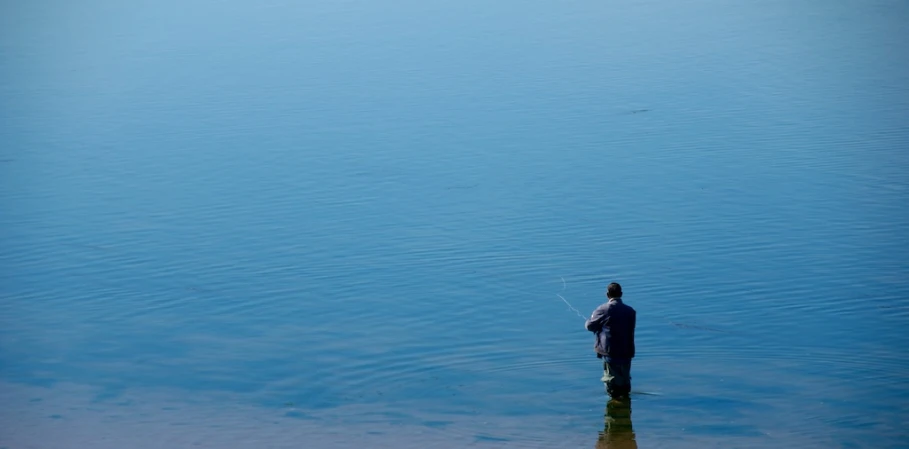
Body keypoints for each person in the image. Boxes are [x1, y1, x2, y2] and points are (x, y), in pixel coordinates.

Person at [585, 282, 636, 399]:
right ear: (621, 294)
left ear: (607, 294)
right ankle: (625, 405)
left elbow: (589, 326)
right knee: (625, 379)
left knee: (611, 382)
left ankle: (615, 406)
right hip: (627, 351)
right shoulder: (630, 311)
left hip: (610, 352)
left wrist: (592, 318)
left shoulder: (603, 309)